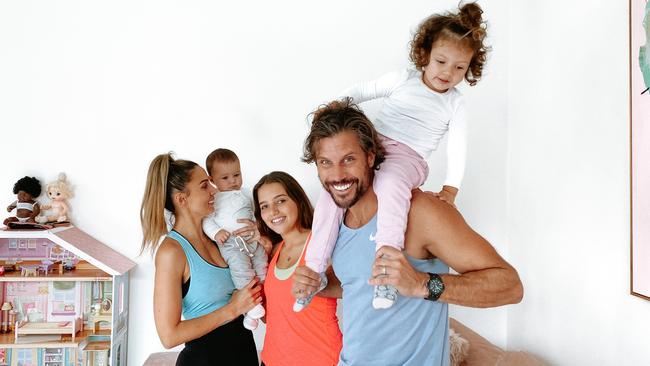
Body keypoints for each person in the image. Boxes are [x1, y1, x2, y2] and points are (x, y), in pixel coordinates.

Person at [294, 100, 523, 365]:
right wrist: (319, 284)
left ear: (370, 156)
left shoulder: (420, 211)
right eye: (326, 163)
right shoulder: (336, 220)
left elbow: (509, 286)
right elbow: (357, 285)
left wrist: (421, 284)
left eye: (348, 159)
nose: (338, 175)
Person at [302, 2, 491, 311]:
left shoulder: (455, 104)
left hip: (409, 159)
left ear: (469, 68)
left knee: (389, 184)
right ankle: (314, 269)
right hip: (374, 147)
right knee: (334, 194)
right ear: (425, 54)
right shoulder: (404, 79)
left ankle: (388, 267)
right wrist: (335, 105)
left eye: (460, 68)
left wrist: (451, 188)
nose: (448, 73)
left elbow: (458, 145)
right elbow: (364, 90)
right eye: (442, 61)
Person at [140, 153, 261, 366]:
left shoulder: (218, 238)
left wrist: (262, 239)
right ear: (182, 199)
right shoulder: (172, 251)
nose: (214, 189)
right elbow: (169, 336)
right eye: (205, 186)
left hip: (245, 353)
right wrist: (232, 309)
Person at [252, 171, 342, 366]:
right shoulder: (272, 252)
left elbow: (354, 286)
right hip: (271, 359)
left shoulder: (322, 244)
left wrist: (323, 283)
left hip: (320, 359)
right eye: (264, 206)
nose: (273, 211)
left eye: (280, 201)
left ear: (298, 201)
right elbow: (271, 317)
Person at [202, 148, 268, 330]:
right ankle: (252, 307)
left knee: (263, 265)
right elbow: (207, 220)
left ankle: (264, 294)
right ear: (212, 180)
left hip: (251, 238)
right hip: (231, 242)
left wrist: (258, 228)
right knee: (241, 270)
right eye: (225, 178)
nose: (233, 181)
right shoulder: (214, 199)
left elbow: (258, 214)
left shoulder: (247, 193)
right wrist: (216, 233)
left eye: (237, 175)